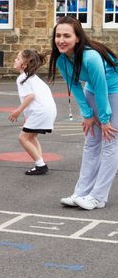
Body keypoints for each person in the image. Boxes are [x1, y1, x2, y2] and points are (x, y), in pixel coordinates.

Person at [48, 16, 118, 210]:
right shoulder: (62, 59)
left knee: (110, 143)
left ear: (78, 38)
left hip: (114, 89)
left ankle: (98, 197)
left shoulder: (91, 57)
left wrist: (104, 119)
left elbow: (102, 86)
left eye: (66, 36)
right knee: (91, 141)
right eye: (58, 35)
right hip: (92, 89)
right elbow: (75, 87)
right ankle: (82, 193)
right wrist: (87, 115)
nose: (61, 40)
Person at [9, 49, 57, 175]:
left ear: (24, 65)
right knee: (32, 136)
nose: (15, 60)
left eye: (18, 59)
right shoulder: (33, 78)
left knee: (23, 138)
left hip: (41, 111)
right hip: (48, 110)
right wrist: (27, 116)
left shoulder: (22, 78)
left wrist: (18, 111)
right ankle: (39, 162)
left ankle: (40, 165)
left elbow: (30, 96)